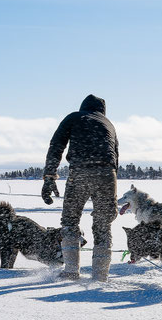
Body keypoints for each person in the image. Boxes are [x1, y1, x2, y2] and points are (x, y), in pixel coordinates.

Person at [41, 94, 118, 281]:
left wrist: (49, 177)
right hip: (107, 175)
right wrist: (110, 195)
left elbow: (56, 145)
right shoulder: (108, 124)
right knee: (103, 223)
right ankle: (100, 276)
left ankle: (71, 271)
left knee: (70, 221)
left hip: (81, 173)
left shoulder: (74, 117)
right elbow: (115, 156)